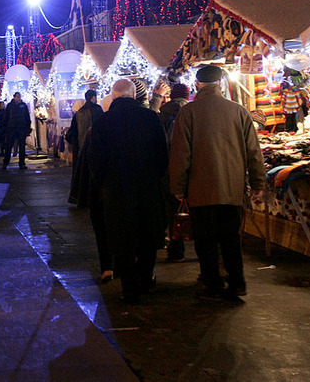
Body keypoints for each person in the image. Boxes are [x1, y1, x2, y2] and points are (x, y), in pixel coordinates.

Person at [168, 65, 267, 301]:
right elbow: (253, 151)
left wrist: (178, 188)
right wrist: (258, 183)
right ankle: (237, 283)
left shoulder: (189, 112)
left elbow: (181, 154)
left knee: (206, 240)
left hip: (201, 190)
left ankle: (212, 285)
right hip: (232, 189)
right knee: (231, 238)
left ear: (198, 84)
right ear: (221, 83)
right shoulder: (239, 111)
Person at [86, 80, 169, 303]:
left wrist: (104, 184)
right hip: (147, 188)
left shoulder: (103, 123)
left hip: (115, 191)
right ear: (134, 96)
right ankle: (144, 279)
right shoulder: (151, 118)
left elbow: (95, 161)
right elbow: (163, 155)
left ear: (113, 97)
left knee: (121, 238)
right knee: (147, 235)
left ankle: (129, 287)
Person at [158, 82, 190, 262]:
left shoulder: (162, 113)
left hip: (168, 168)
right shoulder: (193, 111)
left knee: (173, 212)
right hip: (192, 168)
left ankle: (177, 250)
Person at [67, 89, 103, 207]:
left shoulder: (79, 112)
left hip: (80, 149)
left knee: (81, 175)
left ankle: (80, 198)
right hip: (95, 148)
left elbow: (71, 133)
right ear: (93, 97)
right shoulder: (97, 110)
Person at [0, 92, 32, 169]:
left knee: (22, 147)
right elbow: (6, 118)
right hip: (12, 128)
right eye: (17, 97)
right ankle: (6, 162)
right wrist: (5, 128)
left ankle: (22, 163)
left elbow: (27, 117)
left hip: (21, 128)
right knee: (9, 146)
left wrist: (27, 128)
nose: (18, 98)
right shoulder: (10, 106)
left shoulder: (23, 105)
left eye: (19, 97)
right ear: (14, 97)